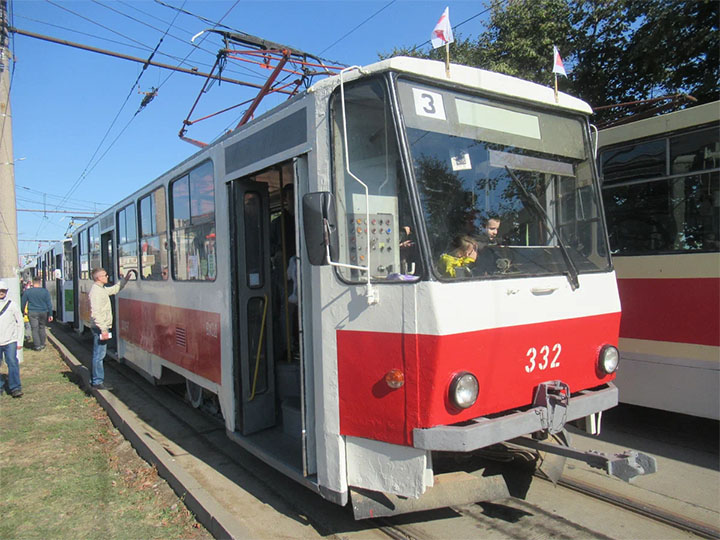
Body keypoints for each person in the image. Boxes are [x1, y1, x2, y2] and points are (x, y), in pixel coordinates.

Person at [88, 267, 136, 389]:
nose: (107, 277)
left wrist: (124, 280)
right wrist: (103, 329)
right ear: (99, 278)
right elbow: (95, 313)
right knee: (99, 355)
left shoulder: (101, 289)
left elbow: (113, 290)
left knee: (99, 354)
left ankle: (96, 380)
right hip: (100, 327)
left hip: (101, 326)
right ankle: (97, 381)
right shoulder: (96, 292)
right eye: (105, 275)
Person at [0, 280, 25, 398]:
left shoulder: (12, 305)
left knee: (12, 363)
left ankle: (15, 387)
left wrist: (19, 341)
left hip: (10, 340)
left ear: (6, 292)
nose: (1, 293)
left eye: (3, 291)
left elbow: (20, 323)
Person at [21, 276, 53, 351]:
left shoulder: (28, 292)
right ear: (40, 282)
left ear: (33, 282)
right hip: (43, 312)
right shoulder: (45, 291)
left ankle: (37, 345)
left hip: (32, 312)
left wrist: (22, 311)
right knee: (42, 327)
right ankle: (42, 344)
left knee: (34, 329)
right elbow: (49, 304)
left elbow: (23, 303)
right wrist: (50, 314)